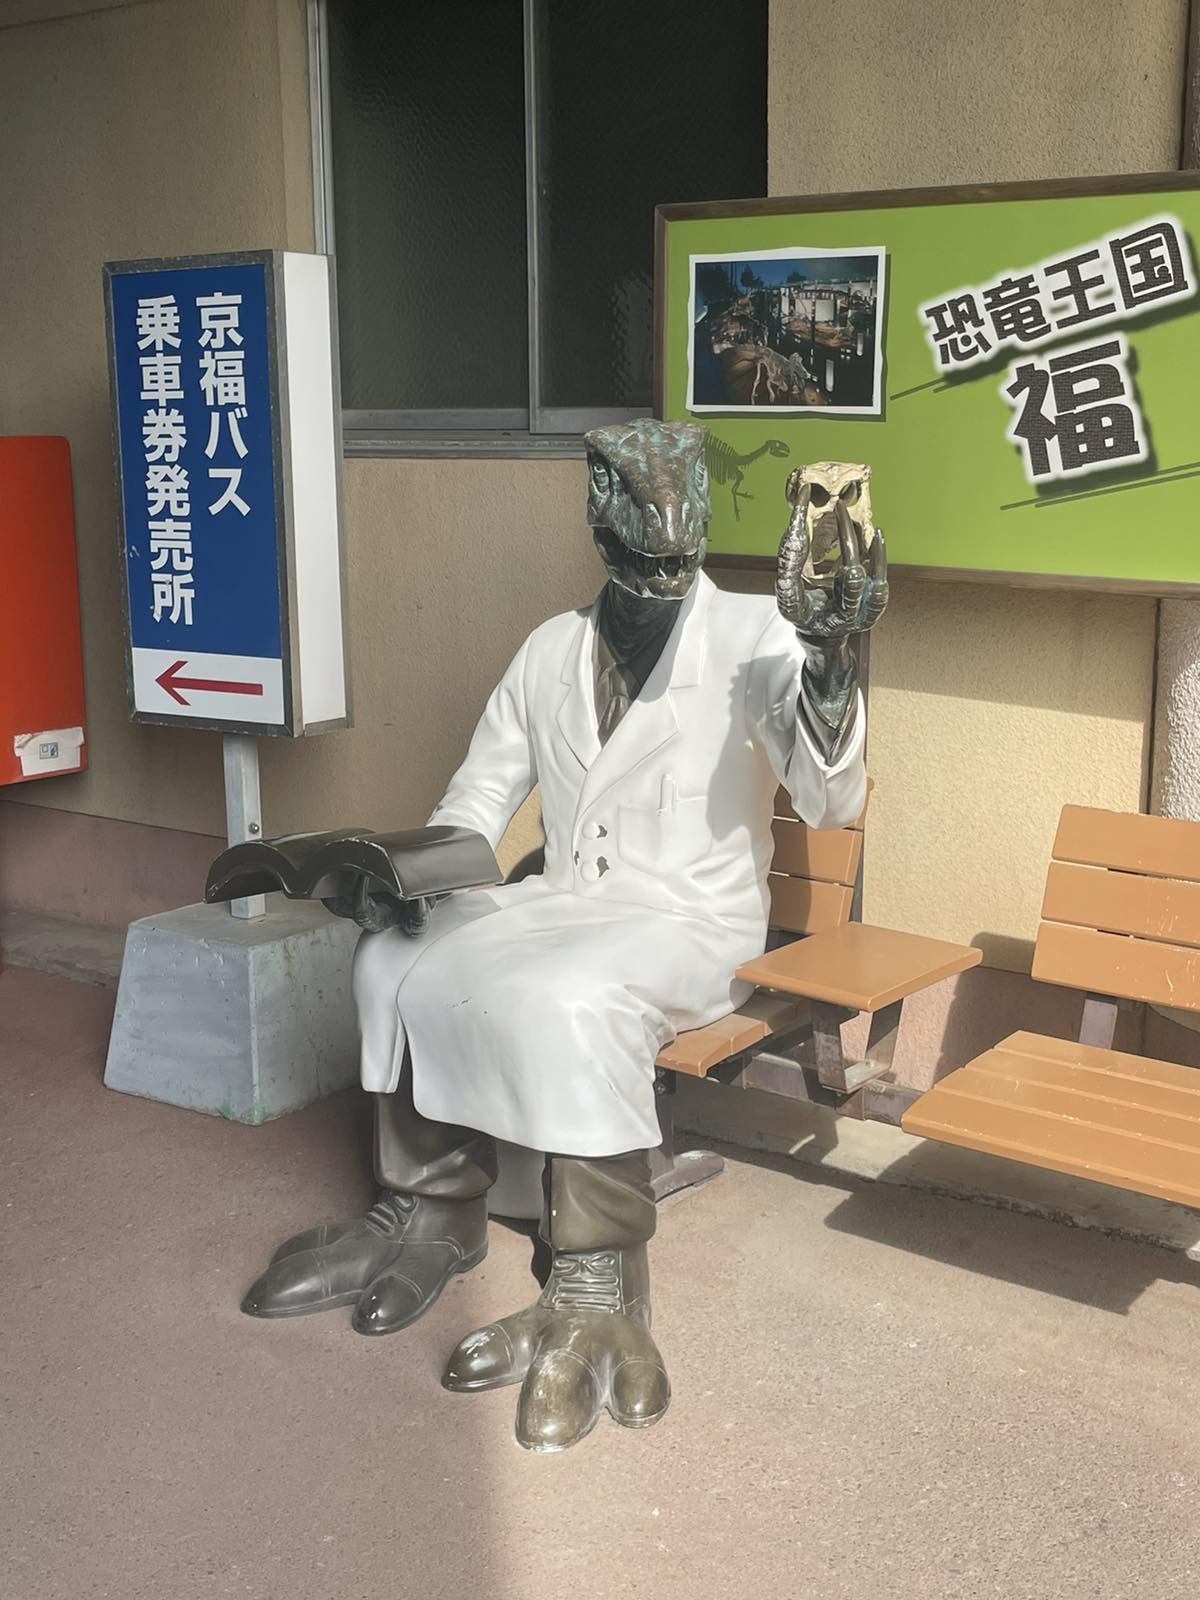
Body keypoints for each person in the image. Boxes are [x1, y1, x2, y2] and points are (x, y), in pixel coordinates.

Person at [241, 419, 887, 1453]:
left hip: (686, 921)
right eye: (640, 539)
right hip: (562, 903)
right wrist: (408, 883)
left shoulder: (759, 636)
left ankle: (596, 1275)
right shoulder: (549, 648)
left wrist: (832, 662)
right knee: (393, 956)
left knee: (568, 997)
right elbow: (477, 800)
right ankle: (427, 1207)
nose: (662, 562)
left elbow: (830, 797)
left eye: (677, 543)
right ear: (598, 519)